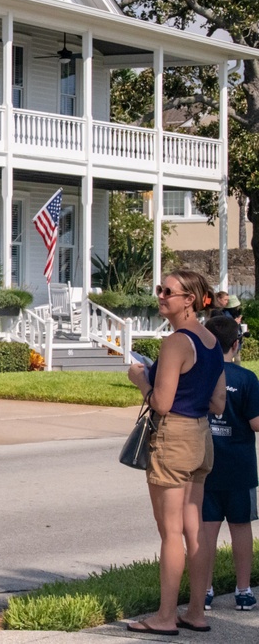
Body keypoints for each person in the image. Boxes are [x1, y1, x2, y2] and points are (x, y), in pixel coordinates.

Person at [126, 269, 227, 635]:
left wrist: (140, 379)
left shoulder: (176, 343)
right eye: (159, 289)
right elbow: (218, 402)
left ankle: (166, 616)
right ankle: (196, 611)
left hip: (174, 436)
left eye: (168, 291)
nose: (161, 296)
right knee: (193, 527)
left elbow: (162, 403)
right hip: (202, 437)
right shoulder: (213, 343)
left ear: (190, 300)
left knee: (170, 532)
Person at [201, 315, 258, 611]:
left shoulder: (200, 374)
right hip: (240, 469)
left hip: (204, 466)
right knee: (241, 529)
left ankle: (205, 590)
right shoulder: (247, 379)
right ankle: (243, 590)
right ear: (236, 344)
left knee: (206, 530)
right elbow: (256, 422)